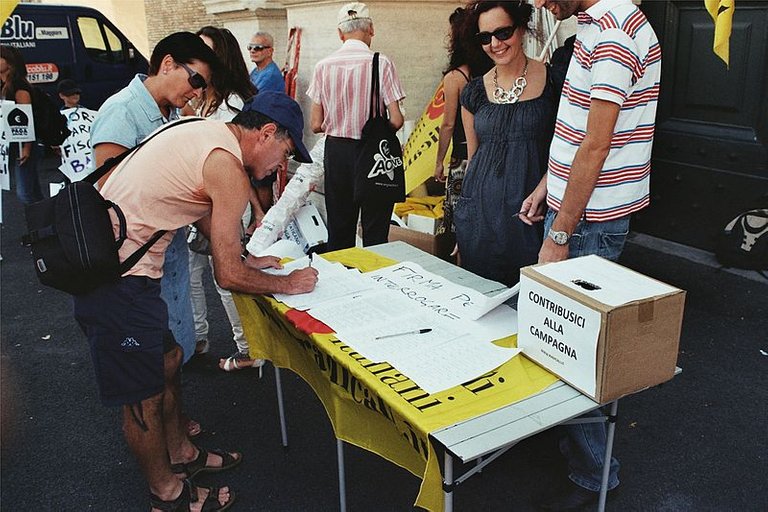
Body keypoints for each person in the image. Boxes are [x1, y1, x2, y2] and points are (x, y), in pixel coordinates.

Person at [74, 92, 317, 511]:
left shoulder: (207, 132)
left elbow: (209, 227)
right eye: (285, 153)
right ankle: (165, 494)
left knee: (169, 360)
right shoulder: (228, 168)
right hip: (115, 280)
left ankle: (181, 454)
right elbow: (228, 276)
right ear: (266, 133)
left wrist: (245, 255)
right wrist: (289, 283)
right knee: (143, 395)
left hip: (123, 270)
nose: (282, 166)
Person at [520, 1, 662, 509]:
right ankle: (576, 450)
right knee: (568, 342)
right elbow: (579, 133)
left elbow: (597, 147)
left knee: (577, 350)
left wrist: (558, 234)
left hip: (589, 223)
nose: (539, 2)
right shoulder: (598, 25)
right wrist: (547, 187)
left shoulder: (616, 32)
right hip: (581, 211)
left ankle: (593, 475)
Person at [91, 32, 219, 367]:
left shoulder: (172, 116)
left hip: (167, 252)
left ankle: (172, 417)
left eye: (202, 86)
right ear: (167, 64)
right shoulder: (122, 111)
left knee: (172, 352)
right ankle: (151, 421)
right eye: (195, 80)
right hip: (134, 261)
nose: (196, 92)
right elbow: (110, 194)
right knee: (145, 361)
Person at [453, 1, 557, 287]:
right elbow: (473, 161)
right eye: (485, 37)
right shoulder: (473, 92)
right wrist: (462, 225)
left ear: (521, 28)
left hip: (531, 217)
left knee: (529, 307)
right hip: (480, 220)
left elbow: (568, 147)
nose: (495, 44)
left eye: (503, 32)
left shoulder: (554, 82)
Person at [187, 26, 266, 372]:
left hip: (225, 198)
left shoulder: (233, 102)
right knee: (192, 269)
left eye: (206, 52)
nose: (198, 61)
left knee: (226, 274)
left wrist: (257, 208)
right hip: (198, 197)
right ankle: (196, 337)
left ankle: (248, 346)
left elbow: (240, 161)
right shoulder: (203, 99)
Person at [308, 2, 406, 250]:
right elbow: (396, 120)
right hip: (373, 154)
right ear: (371, 29)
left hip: (337, 153)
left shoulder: (323, 66)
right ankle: (374, 280)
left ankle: (343, 282)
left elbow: (316, 124)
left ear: (340, 33)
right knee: (375, 231)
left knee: (340, 230)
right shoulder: (381, 63)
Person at [433, 8, 493, 237]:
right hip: (490, 154)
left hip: (462, 158)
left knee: (460, 222)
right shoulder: (493, 72)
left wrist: (439, 161)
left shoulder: (455, 77)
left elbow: (448, 124)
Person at [0, 45, 44, 204]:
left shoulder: (19, 87)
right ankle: (46, 222)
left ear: (10, 63)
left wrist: (27, 147)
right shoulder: (3, 85)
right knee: (33, 190)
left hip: (25, 145)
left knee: (25, 193)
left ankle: (40, 225)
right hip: (11, 143)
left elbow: (27, 118)